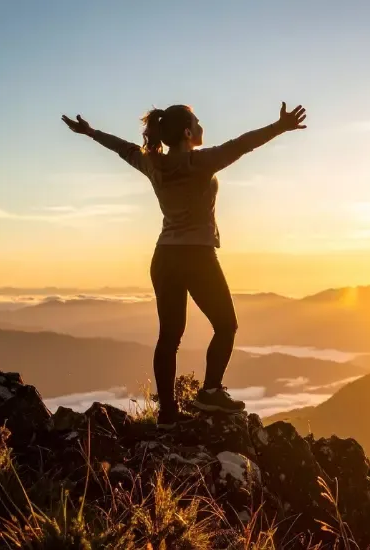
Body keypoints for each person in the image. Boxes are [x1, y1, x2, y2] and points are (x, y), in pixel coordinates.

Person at [61, 102, 307, 425]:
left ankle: (167, 413)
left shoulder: (153, 163)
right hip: (198, 257)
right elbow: (242, 144)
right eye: (197, 120)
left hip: (164, 258)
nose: (202, 124)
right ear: (188, 132)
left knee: (169, 336)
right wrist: (279, 127)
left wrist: (90, 132)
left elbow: (122, 148)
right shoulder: (200, 162)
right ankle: (210, 393)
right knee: (226, 325)